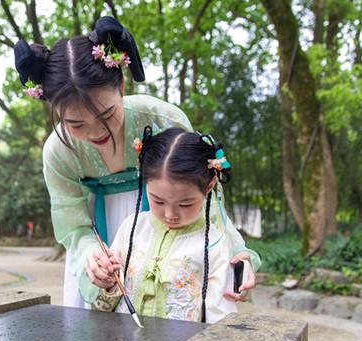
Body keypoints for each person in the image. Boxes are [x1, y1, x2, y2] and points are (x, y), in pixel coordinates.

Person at [14, 16, 259, 308]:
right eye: (76, 124)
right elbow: (72, 225)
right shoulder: (58, 151)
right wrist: (91, 254)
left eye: (107, 115)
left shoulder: (161, 119)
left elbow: (203, 195)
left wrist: (237, 254)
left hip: (163, 213)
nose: (96, 132)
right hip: (99, 238)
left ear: (121, 85)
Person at [90, 127, 259, 323]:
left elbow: (219, 318)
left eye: (185, 204)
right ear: (145, 183)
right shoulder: (131, 228)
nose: (170, 214)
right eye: (158, 201)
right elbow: (106, 300)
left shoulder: (214, 245)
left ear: (210, 186)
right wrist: (108, 282)